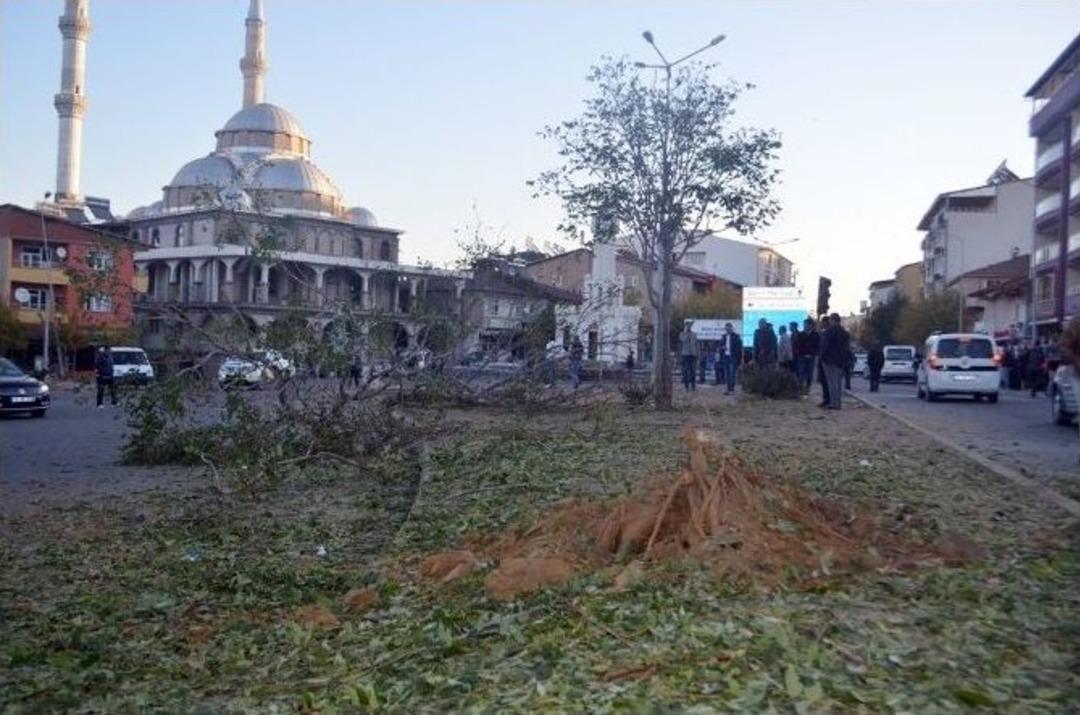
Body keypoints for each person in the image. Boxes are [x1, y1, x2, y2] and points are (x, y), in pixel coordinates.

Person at [821, 313, 850, 410]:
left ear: (832, 320)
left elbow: (825, 346)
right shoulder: (845, 333)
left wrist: (822, 357)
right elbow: (846, 348)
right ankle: (838, 403)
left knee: (831, 382)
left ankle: (833, 403)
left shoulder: (829, 332)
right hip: (840, 360)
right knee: (838, 382)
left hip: (829, 360)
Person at [716, 322, 743, 394]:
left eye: (729, 328)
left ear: (731, 328)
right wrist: (722, 347)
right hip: (725, 357)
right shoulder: (723, 337)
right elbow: (719, 346)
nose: (727, 329)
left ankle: (732, 389)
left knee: (732, 374)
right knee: (727, 374)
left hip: (733, 357)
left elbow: (739, 348)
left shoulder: (736, 336)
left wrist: (739, 359)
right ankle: (728, 389)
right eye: (726, 328)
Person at [799, 317, 819, 393]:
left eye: (806, 324)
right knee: (801, 373)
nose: (805, 326)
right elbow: (798, 345)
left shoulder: (815, 335)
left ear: (810, 325)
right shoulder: (801, 334)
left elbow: (817, 346)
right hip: (802, 357)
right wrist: (802, 353)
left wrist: (812, 354)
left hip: (811, 357)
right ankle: (801, 389)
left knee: (810, 374)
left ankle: (807, 388)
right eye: (804, 324)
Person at [678, 323, 699, 391]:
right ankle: (686, 386)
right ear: (685, 327)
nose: (689, 327)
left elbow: (696, 344)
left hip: (693, 355)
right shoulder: (682, 334)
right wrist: (685, 332)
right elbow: (683, 340)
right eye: (687, 326)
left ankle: (693, 386)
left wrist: (697, 353)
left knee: (693, 371)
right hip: (685, 355)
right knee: (686, 372)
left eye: (689, 326)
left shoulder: (694, 334)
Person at [816, 316, 831, 406]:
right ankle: (826, 398)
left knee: (827, 381)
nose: (820, 324)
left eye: (822, 322)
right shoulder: (823, 333)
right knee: (824, 381)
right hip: (823, 359)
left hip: (826, 360)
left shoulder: (827, 333)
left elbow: (825, 347)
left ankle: (827, 399)